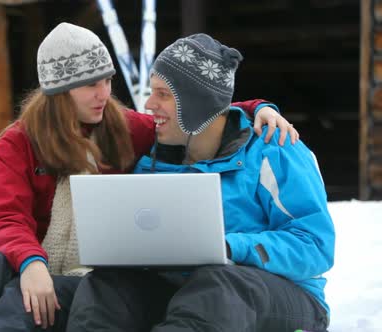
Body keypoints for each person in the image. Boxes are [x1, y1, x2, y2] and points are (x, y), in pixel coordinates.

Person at [0, 23, 299, 332]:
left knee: (22, 293)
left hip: (93, 274)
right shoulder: (18, 143)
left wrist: (257, 107)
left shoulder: (122, 127)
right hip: (35, 260)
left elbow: (191, 112)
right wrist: (33, 265)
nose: (104, 94)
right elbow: (6, 217)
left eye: (107, 80)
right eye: (90, 85)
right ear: (59, 92)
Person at [66, 33, 335, 332]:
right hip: (186, 292)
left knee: (219, 283)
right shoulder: (154, 159)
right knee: (106, 286)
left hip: (281, 298)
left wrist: (231, 247)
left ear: (196, 104)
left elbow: (316, 246)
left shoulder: (275, 149)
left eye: (163, 94)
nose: (149, 103)